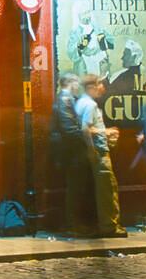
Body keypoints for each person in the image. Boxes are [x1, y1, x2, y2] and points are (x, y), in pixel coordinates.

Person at [75, 74, 126, 238]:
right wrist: (104, 134)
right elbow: (85, 129)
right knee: (107, 190)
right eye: (100, 85)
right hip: (99, 153)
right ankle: (110, 226)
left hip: (91, 153)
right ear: (91, 87)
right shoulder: (89, 105)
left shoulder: (81, 102)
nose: (103, 88)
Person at [50, 72, 95, 237]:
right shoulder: (65, 99)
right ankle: (72, 225)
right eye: (77, 83)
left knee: (74, 189)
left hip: (69, 153)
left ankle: (73, 224)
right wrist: (87, 142)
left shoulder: (65, 99)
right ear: (70, 82)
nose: (79, 87)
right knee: (74, 190)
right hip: (72, 154)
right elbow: (69, 129)